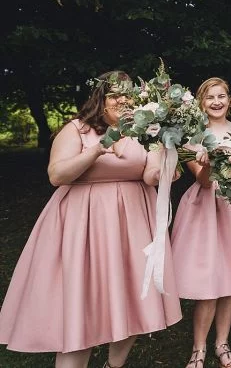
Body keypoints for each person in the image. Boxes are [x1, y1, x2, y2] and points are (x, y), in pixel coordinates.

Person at [0, 71, 182, 368]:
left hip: (132, 224)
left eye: (128, 95)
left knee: (134, 298)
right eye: (114, 95)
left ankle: (115, 364)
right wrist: (98, 148)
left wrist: (167, 166)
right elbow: (57, 175)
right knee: (80, 304)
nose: (122, 100)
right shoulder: (78, 129)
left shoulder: (148, 132)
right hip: (82, 225)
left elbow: (149, 176)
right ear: (100, 99)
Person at [170, 78, 231, 368]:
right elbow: (201, 179)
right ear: (201, 102)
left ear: (230, 100)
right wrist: (211, 161)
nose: (216, 101)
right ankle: (198, 349)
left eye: (222, 96)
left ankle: (222, 344)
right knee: (209, 281)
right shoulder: (192, 136)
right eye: (210, 97)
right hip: (206, 209)